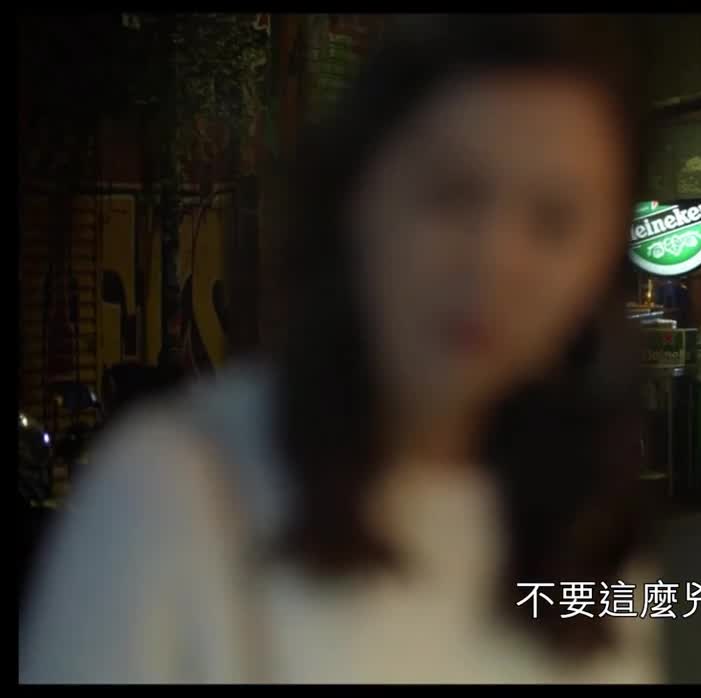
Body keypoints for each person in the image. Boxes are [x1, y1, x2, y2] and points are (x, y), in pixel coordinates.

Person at [20, 15, 662, 683]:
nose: (492, 261)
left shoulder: (585, 521)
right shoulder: (171, 494)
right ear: (357, 198)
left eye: (554, 220)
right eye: (451, 194)